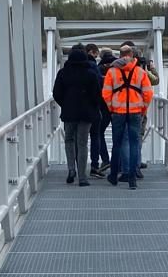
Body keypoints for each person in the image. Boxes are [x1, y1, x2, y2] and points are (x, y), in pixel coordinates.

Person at [102, 42, 154, 189]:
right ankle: (132, 178)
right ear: (132, 56)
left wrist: (111, 107)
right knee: (134, 143)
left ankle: (113, 175)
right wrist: (143, 109)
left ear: (120, 55)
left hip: (118, 112)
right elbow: (148, 94)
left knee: (117, 144)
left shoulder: (112, 72)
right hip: (135, 112)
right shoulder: (140, 72)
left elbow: (105, 93)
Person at [52, 43, 105, 186]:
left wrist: (65, 104)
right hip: (86, 114)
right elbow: (97, 95)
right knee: (82, 143)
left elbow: (56, 93)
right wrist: (93, 106)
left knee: (69, 140)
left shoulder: (63, 73)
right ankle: (82, 177)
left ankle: (71, 169)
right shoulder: (91, 74)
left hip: (69, 113)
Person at [85, 43, 110, 176]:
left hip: (93, 107)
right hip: (117, 106)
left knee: (85, 138)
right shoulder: (120, 67)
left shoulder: (96, 67)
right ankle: (123, 164)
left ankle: (78, 168)